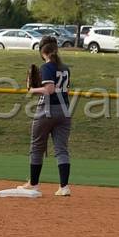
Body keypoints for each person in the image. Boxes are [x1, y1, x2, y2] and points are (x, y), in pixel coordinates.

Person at [18, 36, 73, 197]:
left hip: (47, 110)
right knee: (61, 149)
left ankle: (33, 184)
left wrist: (32, 90)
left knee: (37, 147)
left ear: (43, 52)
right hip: (65, 111)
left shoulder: (47, 67)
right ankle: (64, 187)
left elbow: (49, 90)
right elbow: (64, 90)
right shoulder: (65, 68)